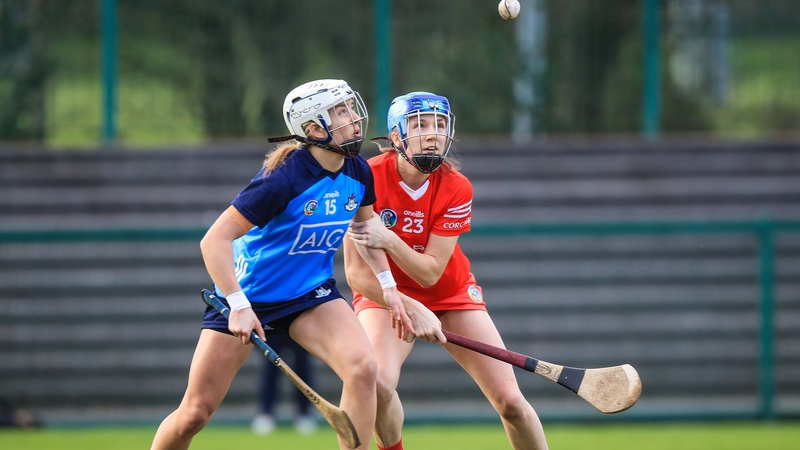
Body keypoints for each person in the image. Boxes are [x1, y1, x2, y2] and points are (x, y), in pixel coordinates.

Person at [150, 79, 412, 450]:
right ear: (314, 128)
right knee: (195, 413)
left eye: (352, 109)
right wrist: (238, 306)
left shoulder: (357, 170)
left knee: (364, 369)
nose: (355, 119)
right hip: (249, 297)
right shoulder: (282, 178)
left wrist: (389, 286)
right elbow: (214, 241)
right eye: (342, 113)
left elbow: (366, 231)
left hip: (311, 295)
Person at [344, 92, 549, 450]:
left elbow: (430, 273)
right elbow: (357, 275)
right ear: (395, 137)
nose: (433, 133)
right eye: (420, 125)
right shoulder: (363, 177)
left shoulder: (456, 187)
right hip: (384, 295)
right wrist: (405, 304)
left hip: (450, 294)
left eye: (439, 124)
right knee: (378, 384)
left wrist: (388, 240)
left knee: (511, 403)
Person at [251, 334, 317, 435]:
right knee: (270, 367)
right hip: (272, 325)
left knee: (302, 366)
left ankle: (304, 414)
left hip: (296, 321)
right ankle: (266, 413)